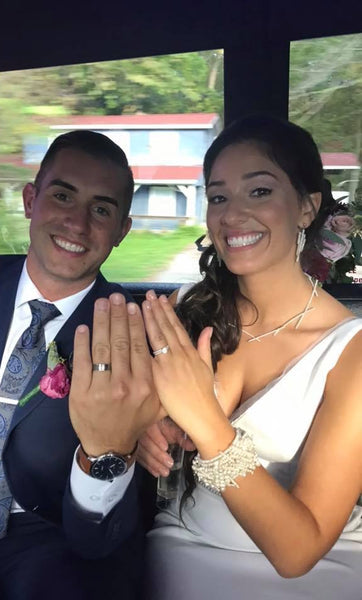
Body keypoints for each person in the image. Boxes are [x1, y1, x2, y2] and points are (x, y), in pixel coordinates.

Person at [0, 130, 160, 600]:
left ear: (122, 231)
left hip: (54, 535)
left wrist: (110, 449)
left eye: (102, 209)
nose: (77, 223)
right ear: (31, 200)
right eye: (63, 195)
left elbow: (116, 509)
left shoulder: (136, 332)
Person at [137, 116, 362, 599]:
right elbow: (142, 423)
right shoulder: (185, 310)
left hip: (320, 563)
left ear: (307, 207)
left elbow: (298, 552)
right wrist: (144, 433)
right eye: (218, 197)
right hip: (186, 544)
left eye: (258, 192)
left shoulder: (352, 350)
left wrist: (206, 424)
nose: (232, 214)